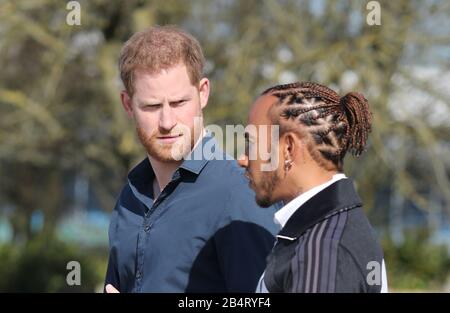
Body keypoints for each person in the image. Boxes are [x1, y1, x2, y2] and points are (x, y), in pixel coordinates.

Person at [104, 25, 279, 293]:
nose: (166, 122)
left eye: (178, 103)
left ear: (203, 93)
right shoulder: (129, 199)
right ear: (128, 104)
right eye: (151, 106)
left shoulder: (242, 195)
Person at [238, 81, 388, 292]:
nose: (243, 159)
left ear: (288, 148)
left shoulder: (321, 251)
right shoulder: (331, 228)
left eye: (252, 143)